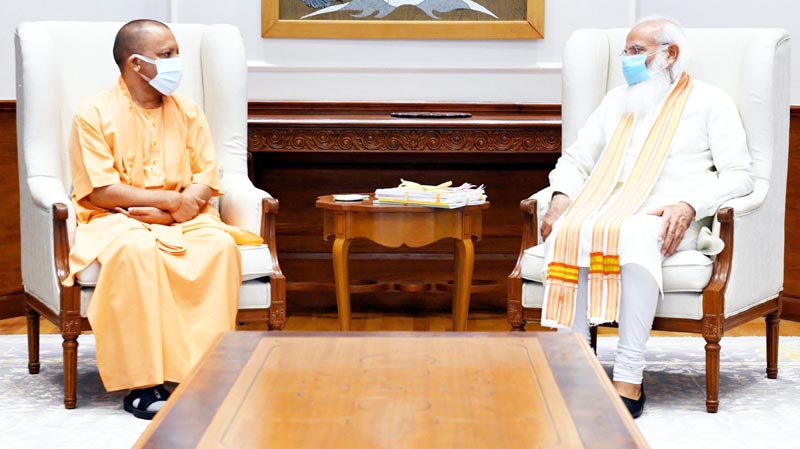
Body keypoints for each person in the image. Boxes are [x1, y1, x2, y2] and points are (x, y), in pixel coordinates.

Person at [539, 16, 753, 418]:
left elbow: (740, 175)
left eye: (636, 52)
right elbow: (576, 159)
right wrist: (562, 196)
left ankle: (629, 376)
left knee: (635, 235)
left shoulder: (710, 101)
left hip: (668, 219)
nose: (627, 60)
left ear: (670, 54)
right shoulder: (616, 101)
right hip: (606, 210)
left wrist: (689, 204)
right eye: (626, 51)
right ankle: (577, 366)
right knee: (570, 230)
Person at [64, 19, 262, 420]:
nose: (177, 62)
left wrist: (176, 208)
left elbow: (207, 176)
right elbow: (102, 190)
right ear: (136, 64)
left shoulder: (189, 111)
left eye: (176, 53)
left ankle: (203, 375)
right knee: (136, 252)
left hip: (185, 217)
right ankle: (143, 384)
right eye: (167, 55)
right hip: (117, 219)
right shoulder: (93, 114)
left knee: (219, 247)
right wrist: (172, 199)